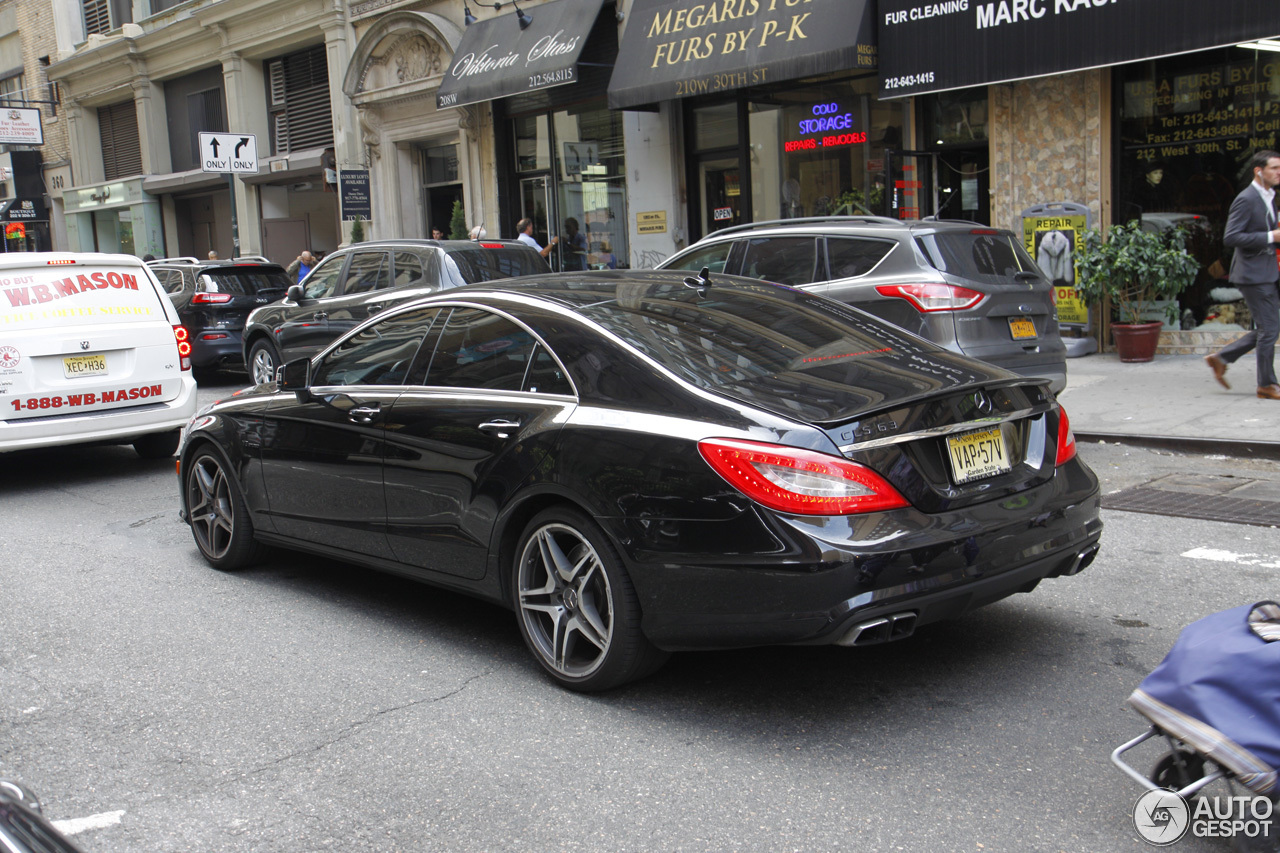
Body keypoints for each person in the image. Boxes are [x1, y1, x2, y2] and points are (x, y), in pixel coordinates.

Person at [1205, 150, 1280, 399]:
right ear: (1258, 171)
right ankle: (1266, 385)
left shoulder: (1269, 196)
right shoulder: (1247, 198)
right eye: (1274, 168)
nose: (1279, 173)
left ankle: (1221, 358)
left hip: (1265, 271)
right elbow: (1231, 237)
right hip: (1252, 274)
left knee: (1269, 328)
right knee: (1270, 329)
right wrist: (1271, 236)